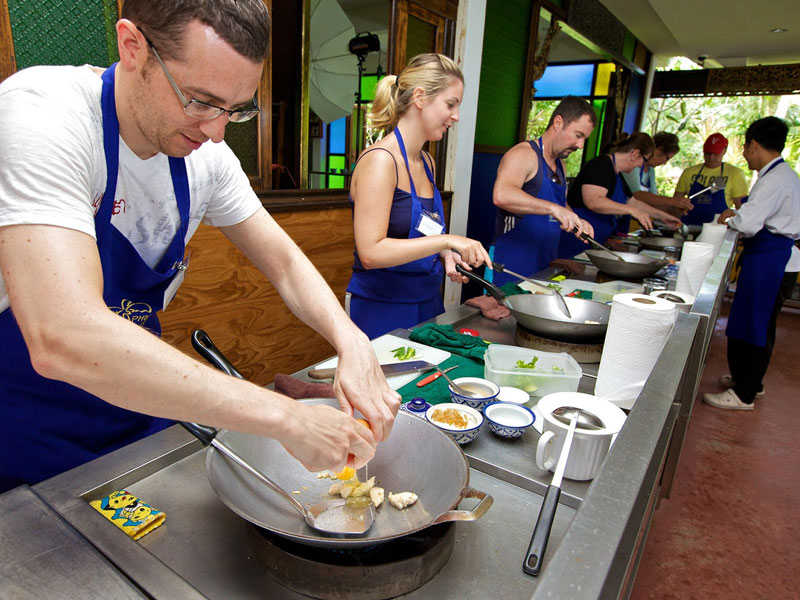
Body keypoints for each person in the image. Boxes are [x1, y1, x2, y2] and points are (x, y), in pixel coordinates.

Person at [0, 0, 400, 493]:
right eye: (200, 100)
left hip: (137, 405)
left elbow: (285, 264)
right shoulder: (44, 115)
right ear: (133, 47)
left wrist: (351, 342)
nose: (215, 132)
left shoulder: (205, 158)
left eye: (235, 110)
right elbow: (64, 334)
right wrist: (286, 417)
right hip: (23, 428)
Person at [345, 53, 492, 339]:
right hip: (382, 307)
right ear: (421, 97)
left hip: (428, 302)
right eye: (451, 104)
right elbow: (371, 253)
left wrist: (446, 254)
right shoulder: (380, 161)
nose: (456, 116)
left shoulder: (427, 162)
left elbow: (423, 231)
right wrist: (447, 239)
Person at [703, 117, 800, 411]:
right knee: (755, 321)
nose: (744, 154)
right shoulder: (782, 175)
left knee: (756, 324)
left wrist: (730, 216)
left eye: (745, 147)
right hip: (770, 258)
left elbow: (749, 223)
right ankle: (748, 381)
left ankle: (745, 393)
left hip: (772, 260)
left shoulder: (774, 180)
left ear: (754, 145)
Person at [489, 96, 596, 287]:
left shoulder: (561, 164)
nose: (580, 145)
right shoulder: (523, 154)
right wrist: (554, 209)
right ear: (558, 122)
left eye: (584, 139)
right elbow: (502, 195)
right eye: (578, 135)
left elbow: (560, 204)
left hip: (543, 266)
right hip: (511, 266)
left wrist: (576, 220)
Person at [557, 132, 682, 259]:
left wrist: (664, 216)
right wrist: (632, 211)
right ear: (635, 154)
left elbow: (633, 202)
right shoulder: (601, 165)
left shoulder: (618, 174)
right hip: (575, 242)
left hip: (594, 242)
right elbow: (593, 201)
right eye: (643, 160)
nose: (640, 165)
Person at [674, 133, 749, 225]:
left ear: (724, 151)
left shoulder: (735, 173)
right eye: (708, 154)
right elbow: (676, 201)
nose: (711, 157)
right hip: (689, 226)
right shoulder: (689, 172)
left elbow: (741, 208)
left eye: (715, 154)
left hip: (717, 229)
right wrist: (679, 208)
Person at [620, 131, 693, 217]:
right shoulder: (634, 164)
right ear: (659, 151)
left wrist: (672, 208)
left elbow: (653, 200)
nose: (665, 163)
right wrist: (672, 201)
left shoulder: (650, 170)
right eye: (667, 158)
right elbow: (637, 195)